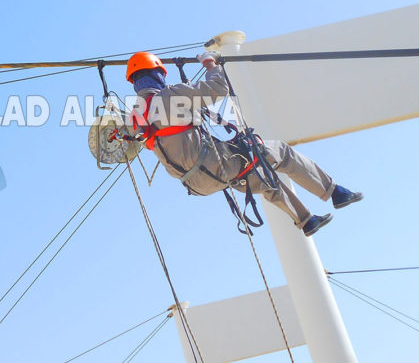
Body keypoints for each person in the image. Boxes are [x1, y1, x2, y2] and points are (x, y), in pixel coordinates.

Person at [124, 51, 362, 236]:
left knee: (264, 179)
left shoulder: (134, 116)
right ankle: (335, 192)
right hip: (217, 165)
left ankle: (307, 221)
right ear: (158, 74)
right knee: (279, 152)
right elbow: (218, 89)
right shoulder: (172, 95)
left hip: (197, 183)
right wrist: (210, 65)